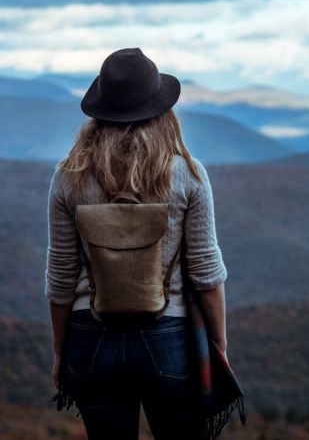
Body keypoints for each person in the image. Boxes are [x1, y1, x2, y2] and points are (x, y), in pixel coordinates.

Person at [45, 47, 229, 439]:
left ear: (99, 113)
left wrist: (61, 349)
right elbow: (206, 273)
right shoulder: (189, 176)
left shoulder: (68, 178)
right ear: (162, 111)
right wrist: (219, 346)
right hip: (168, 339)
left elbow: (61, 278)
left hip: (90, 339)